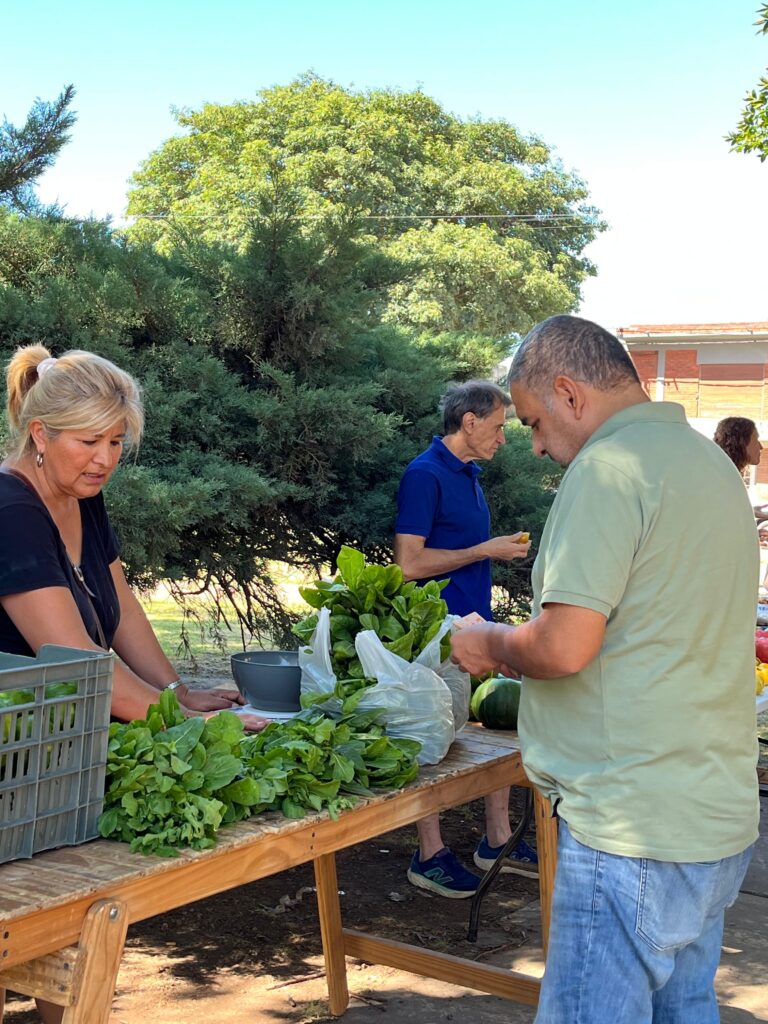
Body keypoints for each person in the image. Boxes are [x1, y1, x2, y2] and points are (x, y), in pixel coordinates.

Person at [451, 315, 760, 1023]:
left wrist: (490, 642)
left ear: (569, 393)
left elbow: (563, 647)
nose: (535, 446)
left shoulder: (607, 470)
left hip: (633, 827)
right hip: (712, 813)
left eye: (534, 422)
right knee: (685, 1009)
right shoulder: (706, 462)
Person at [0, 345, 270, 1024]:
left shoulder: (81, 496)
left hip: (50, 755)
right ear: (40, 434)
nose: (105, 459)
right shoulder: (10, 510)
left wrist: (176, 693)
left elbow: (119, 611)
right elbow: (80, 662)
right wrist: (189, 725)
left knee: (66, 934)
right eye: (89, 441)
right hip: (11, 758)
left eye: (116, 442)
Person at [394, 379, 534, 899]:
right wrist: (485, 550)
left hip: (475, 626)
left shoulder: (470, 474)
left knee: (492, 727)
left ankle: (497, 840)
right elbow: (408, 565)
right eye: (497, 427)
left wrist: (491, 550)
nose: (503, 437)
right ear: (469, 422)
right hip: (436, 634)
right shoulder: (424, 473)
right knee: (429, 737)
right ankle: (428, 855)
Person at [712, 415, 768, 522]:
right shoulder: (723, 477)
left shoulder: (724, 471)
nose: (761, 447)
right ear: (741, 442)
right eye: (756, 439)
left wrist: (750, 511)